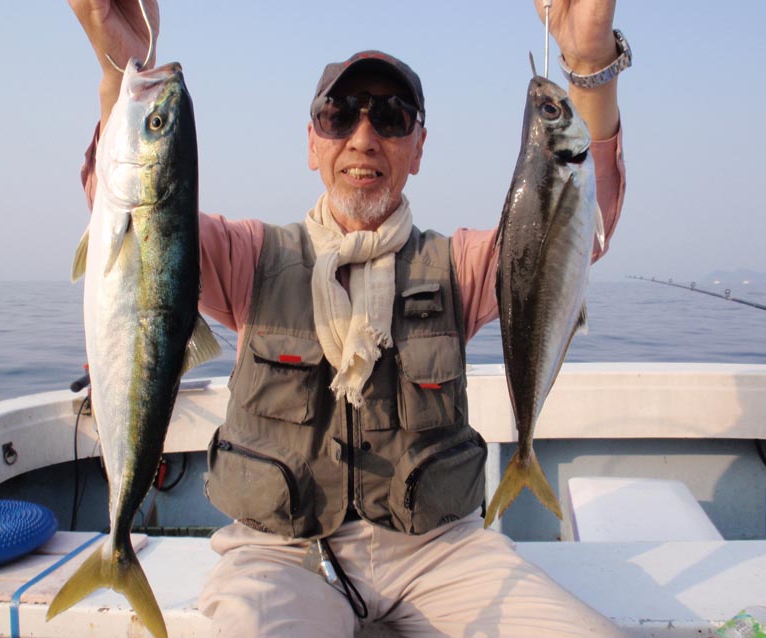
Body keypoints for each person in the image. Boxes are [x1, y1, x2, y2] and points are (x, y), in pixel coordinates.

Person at [69, 1, 628, 636]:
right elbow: (137, 213)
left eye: (391, 117)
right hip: (280, 556)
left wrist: (588, 64)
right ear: (312, 143)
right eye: (338, 115)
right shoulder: (248, 257)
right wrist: (117, 72)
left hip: (440, 551)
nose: (364, 138)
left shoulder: (462, 267)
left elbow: (569, 230)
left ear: (418, 148)